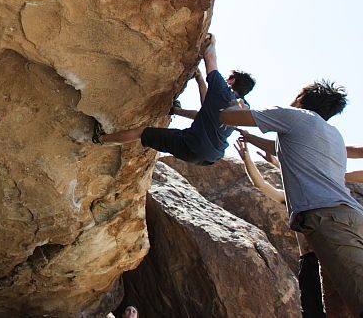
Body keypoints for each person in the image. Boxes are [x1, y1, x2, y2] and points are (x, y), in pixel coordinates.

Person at [220, 81, 363, 314]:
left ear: (301, 98)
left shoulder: (295, 116)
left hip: (328, 221)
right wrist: (248, 138)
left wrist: (227, 95)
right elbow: (278, 146)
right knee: (339, 308)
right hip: (349, 218)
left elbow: (228, 116)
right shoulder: (330, 134)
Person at [95, 34, 255, 166]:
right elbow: (205, 110)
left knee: (143, 132)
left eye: (229, 78)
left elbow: (210, 57)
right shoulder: (241, 109)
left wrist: (212, 42)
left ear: (232, 80)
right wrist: (198, 81)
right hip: (210, 157)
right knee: (185, 133)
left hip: (194, 144)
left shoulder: (223, 90)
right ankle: (175, 110)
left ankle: (100, 138)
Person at [235, 138, 325, 317]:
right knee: (311, 311)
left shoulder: (326, 197)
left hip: (327, 260)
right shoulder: (294, 198)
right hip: (309, 262)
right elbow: (262, 185)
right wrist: (247, 160)